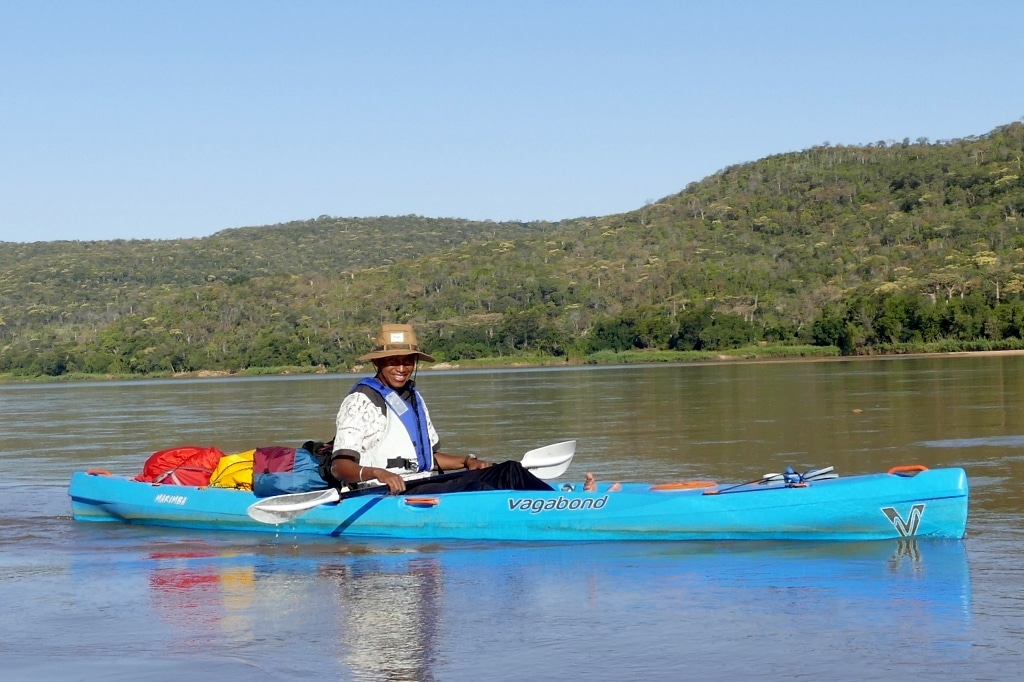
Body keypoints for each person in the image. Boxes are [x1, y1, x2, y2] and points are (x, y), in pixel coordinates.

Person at [328, 323, 552, 495]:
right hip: (384, 493)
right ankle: (557, 505)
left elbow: (427, 458)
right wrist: (377, 473)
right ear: (377, 363)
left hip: (419, 483)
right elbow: (339, 466)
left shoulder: (413, 397)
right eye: (393, 361)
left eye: (408, 361)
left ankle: (558, 500)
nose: (401, 368)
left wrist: (466, 462)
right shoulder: (360, 401)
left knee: (505, 470)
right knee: (505, 475)